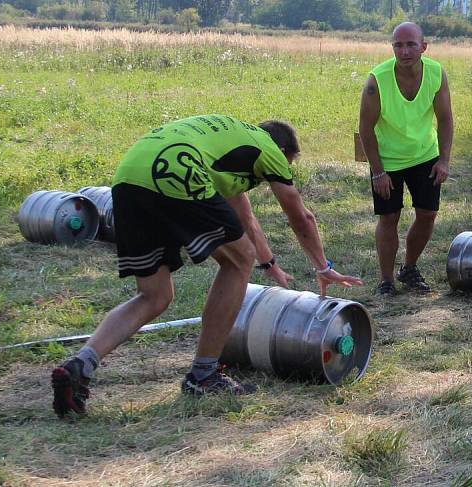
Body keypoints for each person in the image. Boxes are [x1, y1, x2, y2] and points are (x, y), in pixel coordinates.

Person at [51, 114, 363, 417]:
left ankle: (80, 365)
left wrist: (269, 264)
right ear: (284, 152)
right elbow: (301, 217)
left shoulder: (229, 147)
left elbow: (245, 218)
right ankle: (203, 375)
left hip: (129, 179)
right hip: (176, 171)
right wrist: (323, 267)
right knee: (238, 261)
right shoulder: (269, 149)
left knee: (154, 296)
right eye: (289, 164)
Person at [359, 22, 454, 296]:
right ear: (392, 48)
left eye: (411, 44)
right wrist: (378, 172)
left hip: (425, 154)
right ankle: (386, 281)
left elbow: (446, 119)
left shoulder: (436, 73)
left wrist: (444, 160)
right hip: (388, 160)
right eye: (398, 45)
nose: (404, 51)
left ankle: (409, 268)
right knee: (389, 217)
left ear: (423, 47)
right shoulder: (376, 81)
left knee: (428, 214)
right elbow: (365, 129)